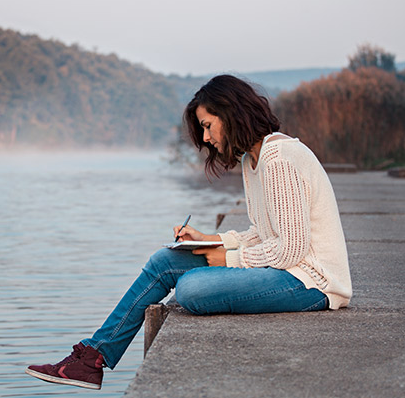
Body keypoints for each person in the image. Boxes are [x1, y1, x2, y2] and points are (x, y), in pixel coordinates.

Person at [25, 74, 352, 390]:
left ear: (231, 113)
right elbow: (265, 233)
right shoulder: (254, 159)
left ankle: (94, 358)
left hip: (312, 282)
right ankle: (93, 358)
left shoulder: (278, 158)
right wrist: (211, 239)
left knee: (192, 289)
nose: (206, 138)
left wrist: (226, 258)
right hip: (288, 272)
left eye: (208, 126)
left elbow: (290, 249)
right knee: (165, 260)